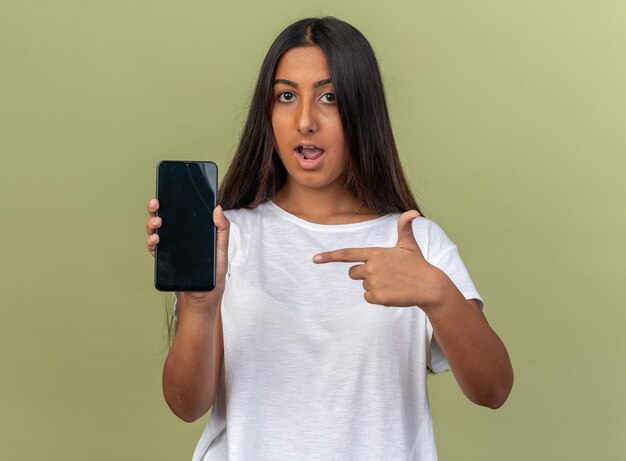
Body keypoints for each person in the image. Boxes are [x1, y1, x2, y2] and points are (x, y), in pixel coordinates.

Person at [145, 16, 513, 461]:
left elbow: (493, 390)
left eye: (329, 97)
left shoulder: (416, 243)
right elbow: (186, 405)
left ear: (362, 110)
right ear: (268, 113)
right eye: (286, 96)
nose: (305, 121)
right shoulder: (226, 237)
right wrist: (200, 305)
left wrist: (437, 293)